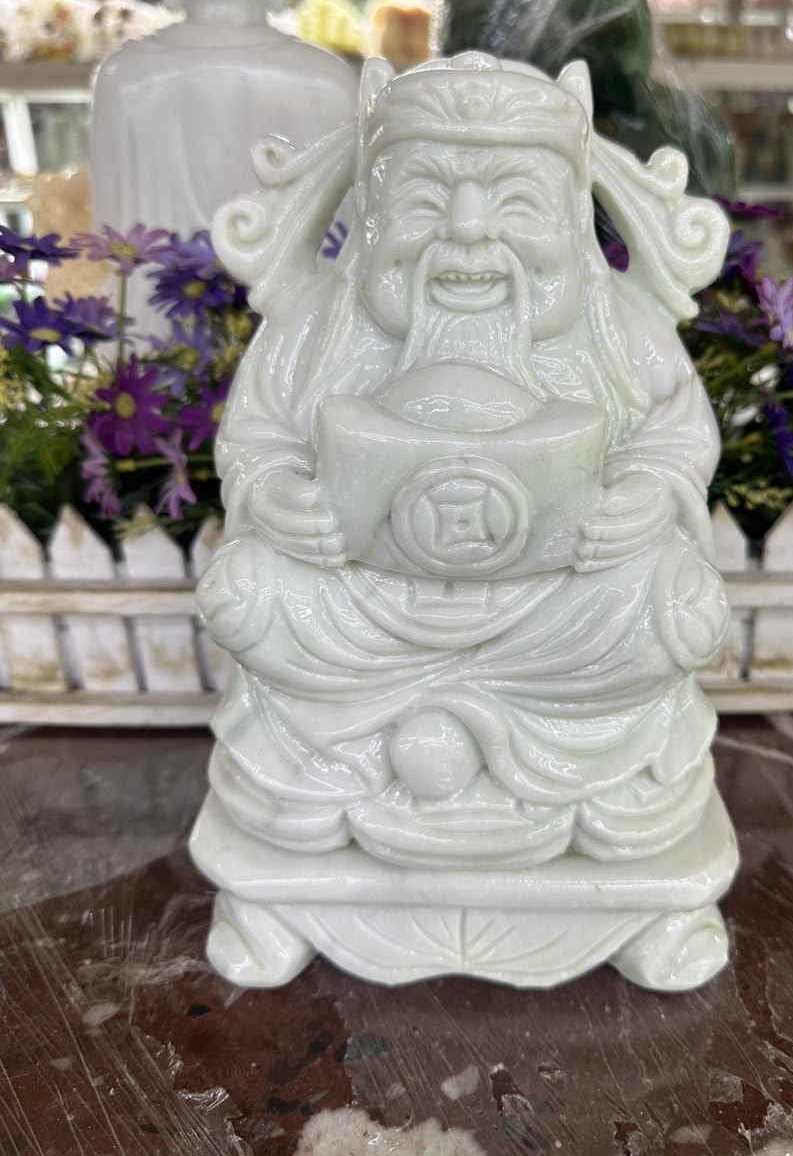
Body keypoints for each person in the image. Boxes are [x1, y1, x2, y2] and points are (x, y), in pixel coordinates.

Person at [193, 52, 737, 990]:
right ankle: (344, 785)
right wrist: (277, 493)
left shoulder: (617, 329)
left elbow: (676, 436)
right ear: (370, 211)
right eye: (425, 199)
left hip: (557, 616)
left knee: (672, 608)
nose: (470, 230)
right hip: (367, 612)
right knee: (248, 592)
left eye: (515, 201)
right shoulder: (317, 326)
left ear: (571, 216)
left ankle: (570, 788)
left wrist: (647, 494)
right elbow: (258, 438)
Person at [89, 0, 358, 340]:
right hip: (297, 349)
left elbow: (118, 261)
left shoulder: (125, 81)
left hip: (156, 356)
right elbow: (350, 258)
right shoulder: (330, 82)